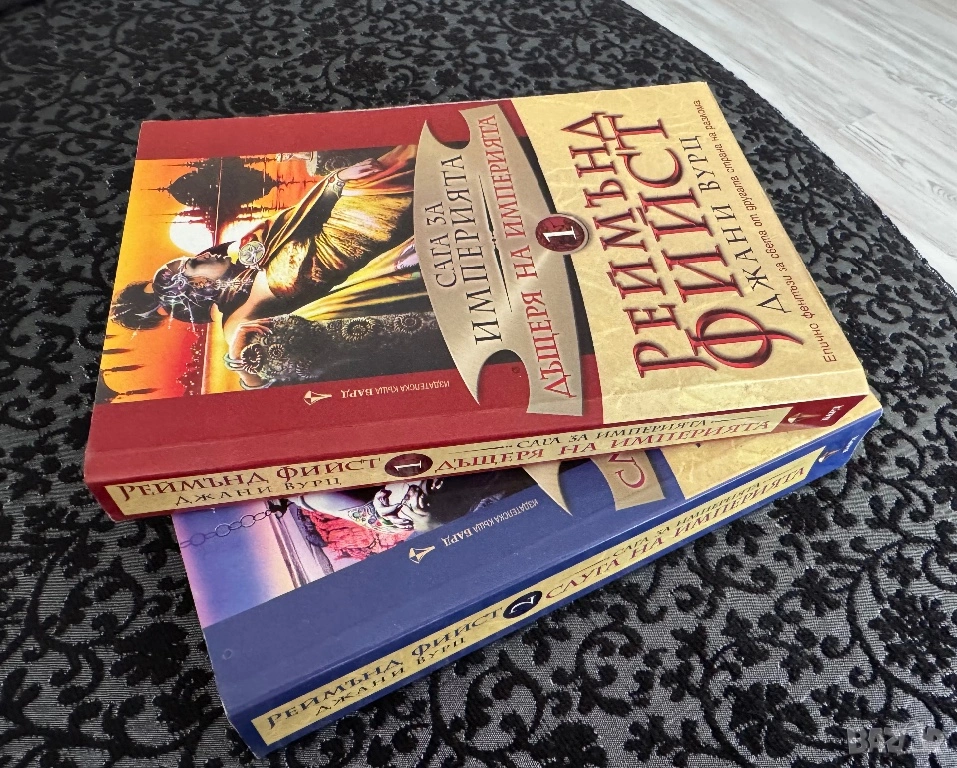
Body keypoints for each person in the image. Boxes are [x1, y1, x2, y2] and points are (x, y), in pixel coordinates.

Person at [111, 146, 450, 389]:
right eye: (194, 263)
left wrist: (337, 180)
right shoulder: (235, 317)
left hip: (352, 207)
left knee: (409, 156)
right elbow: (253, 376)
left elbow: (300, 214)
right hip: (369, 234)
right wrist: (239, 365)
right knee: (412, 165)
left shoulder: (245, 253)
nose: (205, 254)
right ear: (197, 287)